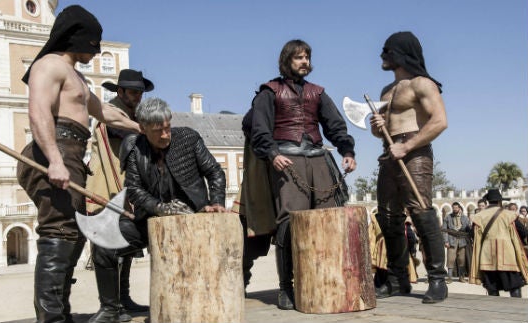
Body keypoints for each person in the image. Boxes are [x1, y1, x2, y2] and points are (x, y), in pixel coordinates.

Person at [16, 5, 141, 323]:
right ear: (76, 38)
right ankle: (53, 319)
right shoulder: (50, 65)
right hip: (53, 150)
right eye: (93, 44)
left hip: (71, 153)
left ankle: (59, 314)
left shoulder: (79, 79)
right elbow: (39, 109)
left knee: (72, 233)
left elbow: (107, 114)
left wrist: (144, 129)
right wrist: (55, 160)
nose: (96, 51)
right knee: (60, 231)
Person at [89, 97, 227, 321]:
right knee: (104, 242)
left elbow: (215, 172)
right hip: (150, 220)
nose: (165, 135)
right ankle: (110, 309)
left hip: (195, 219)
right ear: (142, 129)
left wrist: (217, 202)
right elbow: (133, 190)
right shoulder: (134, 148)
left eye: (167, 128)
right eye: (157, 131)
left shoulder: (188, 138)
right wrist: (161, 208)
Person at [245, 39, 356, 310]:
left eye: (306, 57)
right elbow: (258, 129)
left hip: (318, 158)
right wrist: (272, 154)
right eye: (298, 58)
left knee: (327, 220)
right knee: (289, 222)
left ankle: (326, 280)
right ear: (287, 61)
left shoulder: (318, 93)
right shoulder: (269, 92)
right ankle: (286, 287)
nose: (304, 62)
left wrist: (347, 150)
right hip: (287, 159)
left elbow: (335, 125)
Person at [369, 31, 448, 304]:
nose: (382, 56)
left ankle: (437, 279)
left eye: (387, 51)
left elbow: (439, 121)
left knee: (421, 212)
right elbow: (384, 133)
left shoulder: (422, 84)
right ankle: (397, 279)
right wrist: (377, 129)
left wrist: (407, 145)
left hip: (414, 154)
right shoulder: (385, 91)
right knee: (389, 217)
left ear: (400, 53)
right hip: (389, 154)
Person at [87, 69, 154, 322]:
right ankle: (110, 307)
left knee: (123, 246)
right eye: (134, 92)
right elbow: (125, 134)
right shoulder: (111, 112)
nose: (138, 97)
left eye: (140, 93)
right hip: (106, 185)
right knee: (107, 246)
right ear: (121, 91)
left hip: (126, 187)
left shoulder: (134, 115)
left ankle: (122, 300)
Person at [469, 189, 528, 298]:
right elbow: (523, 232)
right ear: (500, 201)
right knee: (514, 286)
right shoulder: (510, 215)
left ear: (487, 202)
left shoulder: (479, 217)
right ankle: (516, 310)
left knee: (492, 289)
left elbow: (473, 235)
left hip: (487, 258)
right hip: (508, 257)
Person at [442, 202, 471, 283]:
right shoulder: (448, 217)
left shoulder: (465, 218)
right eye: (453, 208)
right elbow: (444, 230)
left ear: (459, 208)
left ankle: (461, 277)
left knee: (462, 260)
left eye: (456, 208)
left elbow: (468, 229)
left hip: (462, 241)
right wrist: (446, 241)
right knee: (450, 259)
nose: (454, 209)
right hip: (451, 240)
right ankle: (449, 278)